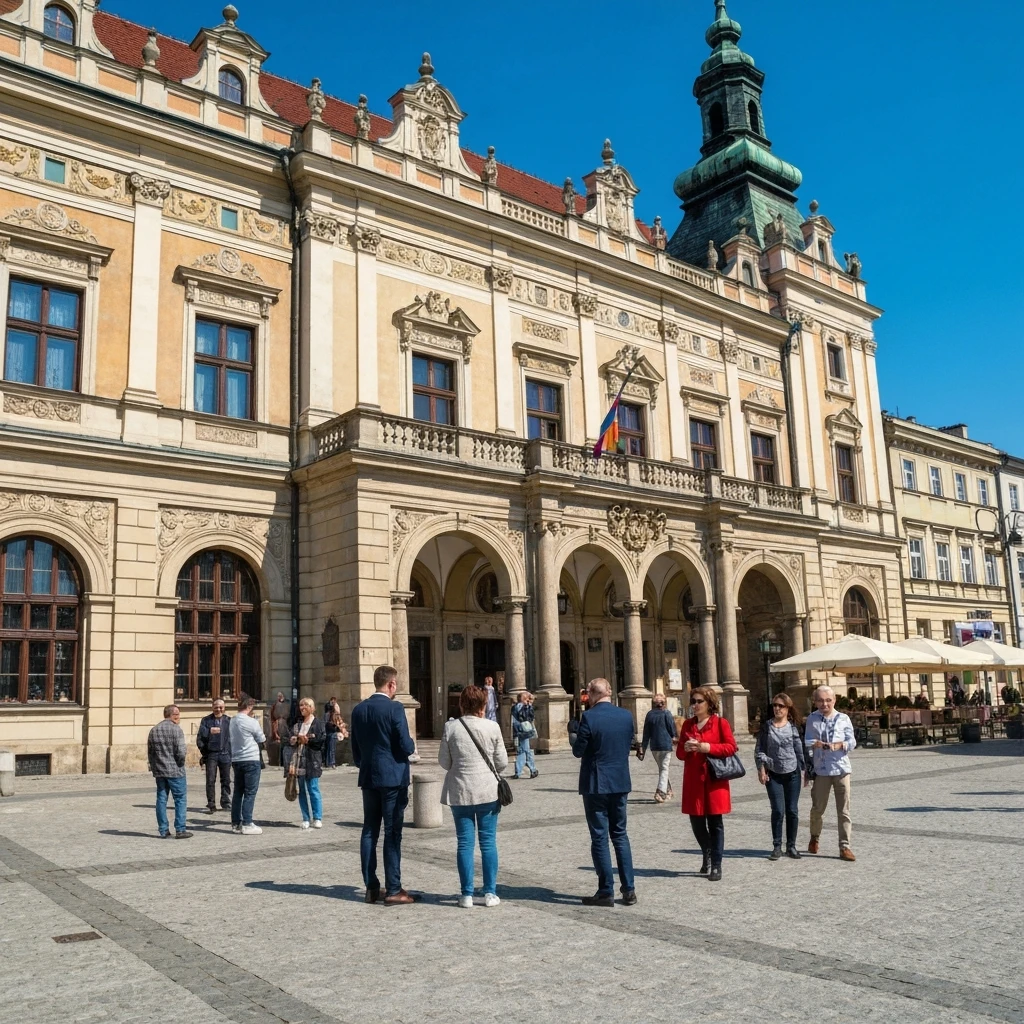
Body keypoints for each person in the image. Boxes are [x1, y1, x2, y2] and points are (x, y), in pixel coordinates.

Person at [350, 665, 418, 906]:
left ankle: (371, 886)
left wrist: (366, 763)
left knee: (369, 830)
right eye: (396, 684)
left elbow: (355, 749)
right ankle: (394, 888)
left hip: (369, 776)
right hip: (392, 777)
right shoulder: (394, 708)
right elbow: (406, 745)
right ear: (390, 685)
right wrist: (409, 745)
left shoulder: (359, 709)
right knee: (392, 832)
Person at [568, 678, 636, 907]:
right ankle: (629, 890)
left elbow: (578, 751)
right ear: (610, 691)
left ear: (591, 694)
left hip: (596, 783)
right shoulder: (626, 716)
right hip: (620, 781)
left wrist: (574, 735)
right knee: (620, 835)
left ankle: (605, 890)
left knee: (599, 836)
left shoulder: (588, 717)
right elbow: (628, 743)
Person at [438, 684, 508, 908]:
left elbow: (444, 762)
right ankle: (489, 893)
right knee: (488, 843)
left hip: (460, 792)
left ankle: (466, 894)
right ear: (483, 704)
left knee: (464, 844)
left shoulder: (451, 728)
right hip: (487, 791)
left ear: (461, 704)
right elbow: (502, 763)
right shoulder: (492, 727)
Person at [676, 686, 738, 882]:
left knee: (715, 823)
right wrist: (685, 748)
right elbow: (679, 754)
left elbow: (731, 747)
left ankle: (716, 865)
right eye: (692, 701)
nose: (694, 705)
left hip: (714, 780)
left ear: (709, 703)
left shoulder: (720, 723)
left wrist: (707, 747)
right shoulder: (687, 725)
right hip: (694, 781)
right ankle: (708, 851)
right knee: (696, 824)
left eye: (698, 701)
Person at [805, 685, 857, 862]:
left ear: (834, 700)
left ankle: (845, 847)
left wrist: (842, 745)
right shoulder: (812, 719)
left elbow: (852, 741)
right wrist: (816, 744)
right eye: (820, 700)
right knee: (818, 808)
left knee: (844, 810)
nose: (824, 703)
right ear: (815, 701)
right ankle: (815, 837)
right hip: (821, 770)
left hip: (842, 769)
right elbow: (807, 741)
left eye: (828, 700)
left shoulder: (843, 718)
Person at [754, 692, 806, 860]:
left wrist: (806, 771)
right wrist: (761, 768)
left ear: (788, 708)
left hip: (793, 773)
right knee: (778, 810)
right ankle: (777, 846)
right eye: (775, 705)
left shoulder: (794, 727)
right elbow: (759, 749)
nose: (777, 708)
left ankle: (791, 846)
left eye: (780, 706)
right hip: (773, 773)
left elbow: (800, 750)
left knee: (792, 810)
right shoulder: (766, 726)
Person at [148, 705, 192, 839]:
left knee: (161, 799)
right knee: (180, 799)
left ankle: (163, 830)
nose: (179, 717)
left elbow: (150, 753)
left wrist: (154, 767)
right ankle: (180, 829)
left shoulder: (154, 730)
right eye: (177, 714)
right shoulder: (176, 729)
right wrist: (180, 763)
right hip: (175, 771)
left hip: (160, 771)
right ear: (172, 715)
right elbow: (181, 752)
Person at [287, 697, 326, 829]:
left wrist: (307, 741)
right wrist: (293, 739)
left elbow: (321, 741)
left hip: (312, 761)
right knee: (302, 790)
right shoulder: (297, 724)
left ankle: (317, 817)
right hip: (298, 761)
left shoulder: (318, 723)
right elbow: (289, 739)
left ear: (311, 708)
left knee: (313, 789)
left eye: (305, 705)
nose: (302, 707)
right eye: (301, 705)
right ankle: (305, 818)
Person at [229, 696, 266, 836]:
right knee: (250, 792)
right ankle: (247, 823)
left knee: (238, 792)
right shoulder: (251, 721)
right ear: (250, 707)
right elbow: (262, 738)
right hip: (250, 759)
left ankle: (235, 823)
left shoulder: (232, 720)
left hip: (237, 758)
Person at [196, 698, 231, 813]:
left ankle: (225, 802)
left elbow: (234, 738)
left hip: (225, 753)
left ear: (224, 708)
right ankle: (211, 803)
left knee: (226, 780)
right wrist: (205, 752)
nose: (218, 709)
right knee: (210, 780)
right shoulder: (206, 720)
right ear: (212, 707)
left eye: (221, 707)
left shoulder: (229, 721)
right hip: (211, 754)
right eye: (216, 707)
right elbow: (200, 738)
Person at [640, 695, 678, 802]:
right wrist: (674, 737)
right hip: (665, 745)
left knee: (662, 768)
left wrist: (643, 747)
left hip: (654, 747)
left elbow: (646, 733)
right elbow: (671, 728)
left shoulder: (649, 714)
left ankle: (668, 790)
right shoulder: (667, 713)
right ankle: (660, 792)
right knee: (664, 768)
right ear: (664, 703)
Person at [510, 690, 538, 779]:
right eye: (526, 698)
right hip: (524, 730)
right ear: (524, 699)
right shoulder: (524, 707)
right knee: (526, 750)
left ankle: (518, 771)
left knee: (522, 750)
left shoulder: (514, 707)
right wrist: (529, 704)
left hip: (518, 730)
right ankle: (532, 769)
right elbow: (530, 716)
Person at [324, 697, 344, 769]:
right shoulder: (329, 714)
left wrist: (341, 726)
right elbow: (327, 724)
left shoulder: (336, 715)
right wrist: (336, 727)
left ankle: (330, 762)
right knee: (331, 748)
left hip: (333, 732)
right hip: (331, 732)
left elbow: (341, 723)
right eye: (336, 706)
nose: (338, 707)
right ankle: (331, 762)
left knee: (331, 748)